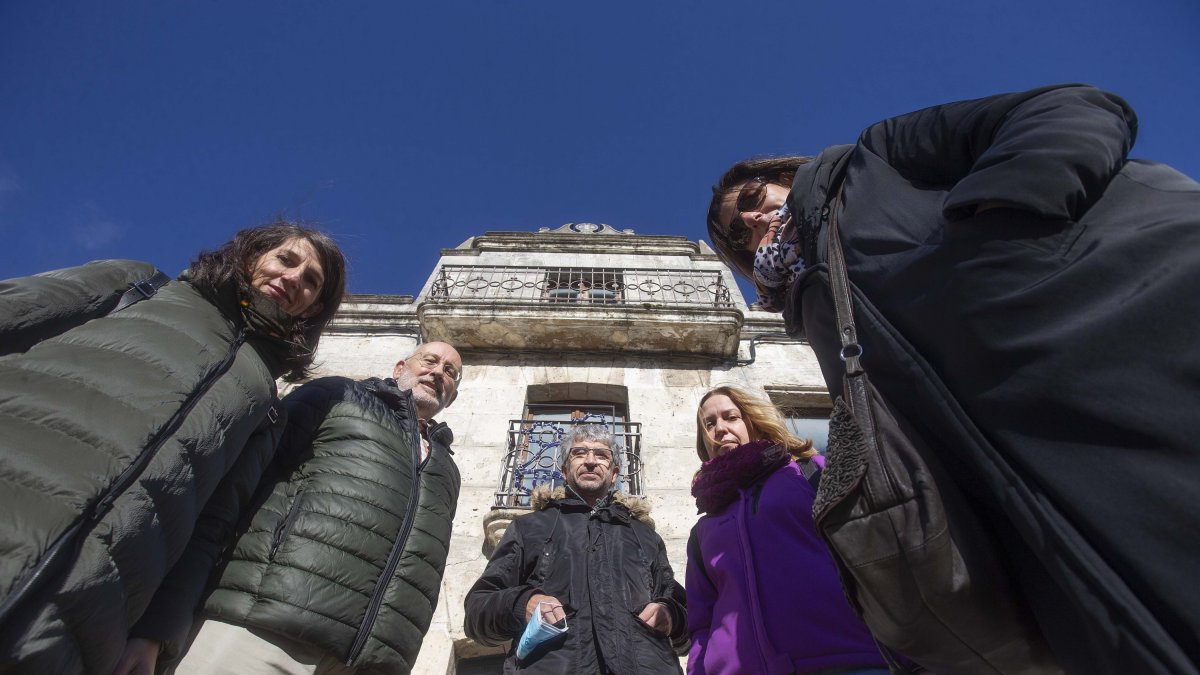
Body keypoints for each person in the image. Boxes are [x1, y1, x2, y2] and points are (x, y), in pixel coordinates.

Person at [705, 84, 1200, 674]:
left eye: (754, 198)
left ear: (785, 176)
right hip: (1025, 460)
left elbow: (1071, 108)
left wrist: (1003, 229)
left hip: (1129, 324)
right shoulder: (815, 305)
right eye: (738, 234)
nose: (753, 220)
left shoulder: (873, 160)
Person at [0, 221, 347, 674]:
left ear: (313, 306)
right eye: (286, 259)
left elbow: (212, 524)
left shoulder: (266, 406)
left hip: (80, 610)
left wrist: (156, 629)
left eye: (311, 280)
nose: (294, 277)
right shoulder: (141, 286)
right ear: (250, 256)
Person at [113, 341, 465, 675]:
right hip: (262, 629)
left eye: (450, 372)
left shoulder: (446, 470)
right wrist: (160, 621)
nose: (438, 373)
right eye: (430, 361)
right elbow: (230, 494)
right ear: (400, 367)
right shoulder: (337, 396)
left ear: (452, 396)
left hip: (363, 664)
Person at [686, 386, 888, 675]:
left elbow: (876, 558)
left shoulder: (810, 472)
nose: (720, 428)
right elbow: (701, 623)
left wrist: (913, 657)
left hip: (848, 661)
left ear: (754, 422)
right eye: (709, 424)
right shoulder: (703, 530)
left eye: (731, 417)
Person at [464, 423, 688, 674]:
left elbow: (689, 618)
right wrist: (521, 603)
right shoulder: (529, 528)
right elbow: (476, 613)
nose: (590, 461)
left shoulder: (645, 536)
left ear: (614, 473)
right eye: (579, 453)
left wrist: (673, 615)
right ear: (564, 469)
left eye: (601, 455)